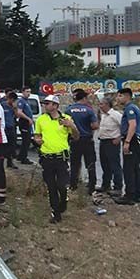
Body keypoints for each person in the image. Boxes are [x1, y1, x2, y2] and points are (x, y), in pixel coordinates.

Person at [34, 95, 79, 223]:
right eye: (45, 103)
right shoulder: (41, 119)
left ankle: (63, 200)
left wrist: (72, 126)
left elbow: (76, 137)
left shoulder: (66, 119)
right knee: (51, 186)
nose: (45, 106)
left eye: (47, 103)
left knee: (61, 185)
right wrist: (37, 140)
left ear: (55, 105)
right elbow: (37, 136)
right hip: (46, 157)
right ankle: (56, 213)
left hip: (61, 158)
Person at [65, 89, 99, 194]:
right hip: (87, 140)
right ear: (84, 98)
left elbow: (64, 125)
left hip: (74, 140)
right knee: (90, 163)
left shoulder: (69, 110)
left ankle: (73, 185)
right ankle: (92, 187)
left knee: (75, 164)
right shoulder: (89, 110)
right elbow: (95, 126)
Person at [114, 88, 140, 205]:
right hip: (137, 141)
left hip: (132, 141)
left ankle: (129, 195)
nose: (118, 98)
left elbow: (132, 125)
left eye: (120, 96)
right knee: (135, 168)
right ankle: (137, 194)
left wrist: (127, 142)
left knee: (129, 168)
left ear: (127, 96)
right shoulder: (134, 107)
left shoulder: (130, 108)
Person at [96, 96, 123, 194]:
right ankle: (106, 185)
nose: (100, 106)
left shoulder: (115, 115)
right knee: (105, 165)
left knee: (114, 165)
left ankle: (118, 187)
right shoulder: (103, 115)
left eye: (101, 104)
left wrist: (119, 138)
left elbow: (125, 127)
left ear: (107, 104)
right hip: (103, 141)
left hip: (112, 142)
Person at [16, 86, 34, 165]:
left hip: (28, 123)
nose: (28, 93)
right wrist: (28, 119)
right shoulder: (21, 101)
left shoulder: (27, 101)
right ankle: (24, 158)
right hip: (24, 123)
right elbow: (19, 112)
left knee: (26, 140)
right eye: (27, 91)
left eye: (29, 92)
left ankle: (20, 156)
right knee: (26, 141)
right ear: (23, 92)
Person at [1, 92, 19, 169]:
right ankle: (2, 163)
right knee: (4, 146)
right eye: (13, 100)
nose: (14, 102)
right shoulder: (2, 105)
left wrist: (15, 108)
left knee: (12, 146)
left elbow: (17, 115)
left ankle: (10, 162)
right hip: (4, 128)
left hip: (11, 128)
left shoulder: (13, 107)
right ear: (10, 99)